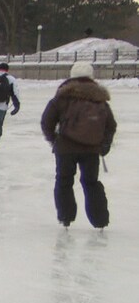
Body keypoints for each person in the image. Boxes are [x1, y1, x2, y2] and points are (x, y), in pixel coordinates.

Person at [40, 62, 117, 229]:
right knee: (91, 182)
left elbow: (47, 122)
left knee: (64, 180)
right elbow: (110, 125)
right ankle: (100, 220)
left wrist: (54, 140)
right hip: (91, 149)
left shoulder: (62, 97)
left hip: (65, 148)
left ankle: (66, 217)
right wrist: (104, 145)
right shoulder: (99, 99)